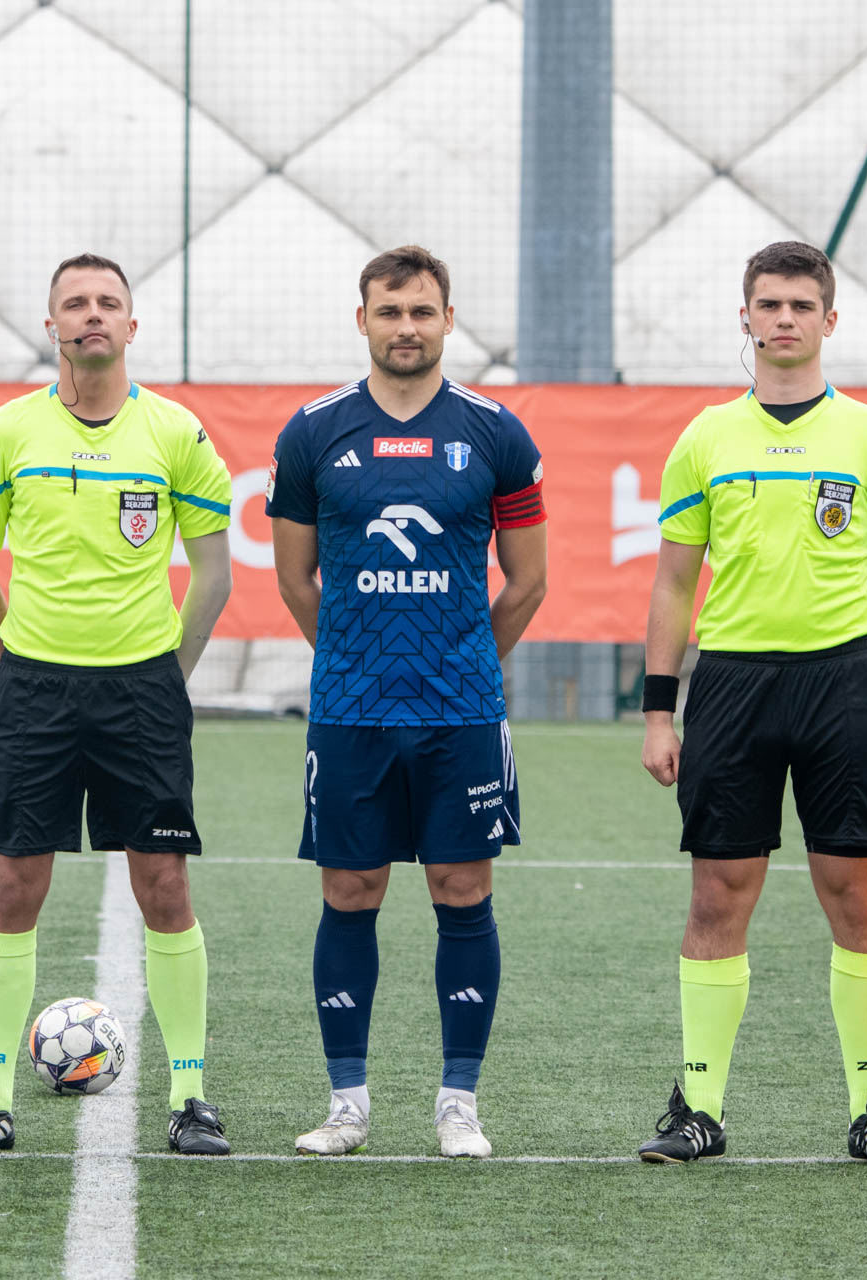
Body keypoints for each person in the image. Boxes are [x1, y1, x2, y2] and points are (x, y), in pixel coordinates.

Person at [637, 240, 867, 1166]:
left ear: (828, 320)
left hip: (845, 684)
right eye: (768, 304)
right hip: (732, 685)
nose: (783, 319)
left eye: (801, 305)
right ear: (746, 317)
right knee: (717, 895)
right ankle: (698, 1108)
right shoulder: (705, 438)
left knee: (856, 896)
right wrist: (659, 711)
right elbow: (673, 584)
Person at [0, 252, 235, 1155]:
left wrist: (169, 674)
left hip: (142, 688)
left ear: (131, 326)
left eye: (108, 302)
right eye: (76, 303)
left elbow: (213, 573)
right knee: (14, 883)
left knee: (164, 883)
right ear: (52, 324)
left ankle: (191, 1099)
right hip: (34, 689)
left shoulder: (177, 433)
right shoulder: (8, 431)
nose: (92, 314)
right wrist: (13, 665)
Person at [268, 246, 548, 1158]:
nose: (406, 328)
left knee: (462, 890)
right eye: (389, 312)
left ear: (448, 320)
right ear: (363, 321)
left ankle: (458, 1103)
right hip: (350, 711)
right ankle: (346, 1104)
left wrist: (465, 662)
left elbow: (528, 583)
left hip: (461, 712)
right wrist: (352, 657)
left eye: (422, 312)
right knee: (349, 891)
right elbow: (296, 578)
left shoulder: (496, 433)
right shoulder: (312, 433)